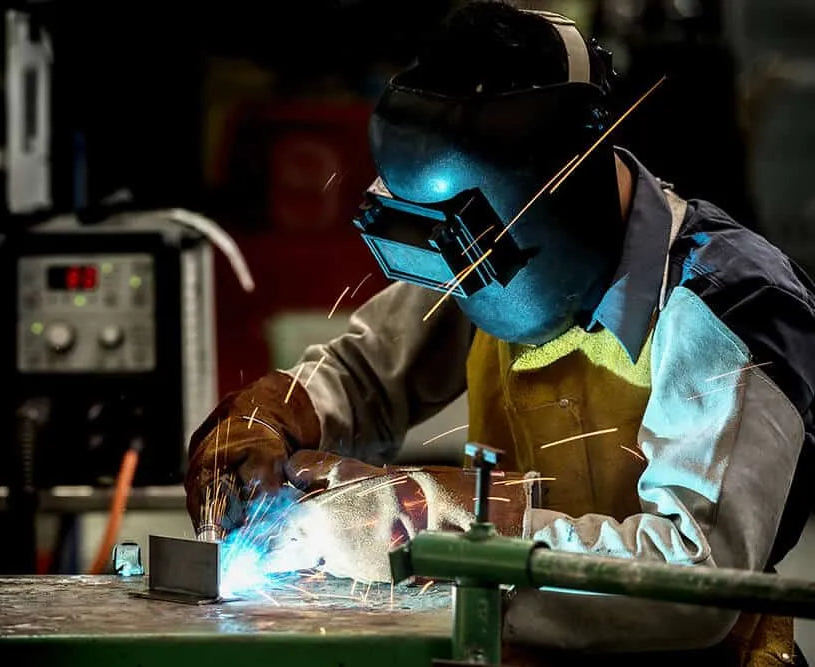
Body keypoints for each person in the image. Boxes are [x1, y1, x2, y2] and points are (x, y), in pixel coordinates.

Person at [186, 2, 815, 663]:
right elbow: (365, 371)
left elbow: (691, 581)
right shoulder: (482, 245)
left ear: (557, 192)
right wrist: (275, 416)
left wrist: (432, 523)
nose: (457, 286)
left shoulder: (731, 302)